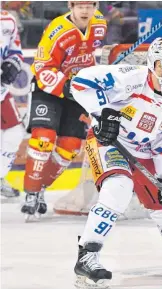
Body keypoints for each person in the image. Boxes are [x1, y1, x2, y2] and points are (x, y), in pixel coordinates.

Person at [70, 37, 162, 287]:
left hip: (144, 152)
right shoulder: (131, 78)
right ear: (159, 65)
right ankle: (87, 255)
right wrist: (102, 113)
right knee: (118, 188)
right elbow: (80, 82)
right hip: (109, 141)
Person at [21, 1, 107, 218]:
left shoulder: (100, 25)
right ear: (71, 6)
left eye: (90, 5)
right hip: (49, 89)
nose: (85, 10)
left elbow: (89, 54)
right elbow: (41, 66)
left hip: (76, 91)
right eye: (80, 6)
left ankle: (41, 189)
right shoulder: (57, 31)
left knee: (69, 148)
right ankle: (31, 193)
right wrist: (66, 85)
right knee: (44, 138)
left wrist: (91, 77)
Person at [0, 9, 25, 198]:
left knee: (14, 132)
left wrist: (12, 64)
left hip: (1, 89)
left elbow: (15, 51)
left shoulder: (8, 20)